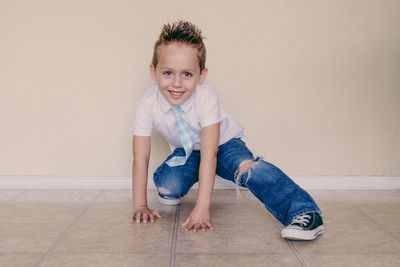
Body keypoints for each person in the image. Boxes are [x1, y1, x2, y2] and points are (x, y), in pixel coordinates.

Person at [130, 20, 324, 241]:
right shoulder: (146, 103)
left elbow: (210, 154)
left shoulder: (206, 97)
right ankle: (181, 182)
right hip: (188, 151)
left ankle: (305, 212)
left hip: (223, 145)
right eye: (167, 73)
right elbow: (141, 157)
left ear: (201, 75)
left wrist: (202, 208)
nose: (176, 83)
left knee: (247, 168)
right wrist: (140, 205)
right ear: (153, 72)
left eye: (187, 74)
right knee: (168, 185)